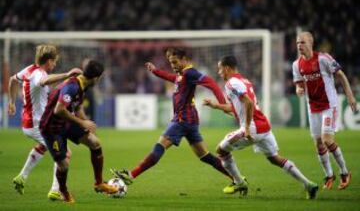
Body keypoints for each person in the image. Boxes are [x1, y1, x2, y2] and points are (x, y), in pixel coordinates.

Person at [111, 48, 234, 187]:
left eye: (175, 62)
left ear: (184, 59)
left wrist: (223, 105)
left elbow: (211, 83)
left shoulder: (190, 72)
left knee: (159, 146)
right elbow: (172, 78)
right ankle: (237, 178)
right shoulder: (182, 74)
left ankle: (131, 175)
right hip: (190, 121)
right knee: (205, 156)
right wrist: (155, 71)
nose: (173, 65)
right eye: (170, 62)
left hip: (182, 120)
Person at [203, 55, 319, 199]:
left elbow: (249, 104)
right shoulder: (244, 81)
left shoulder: (231, 83)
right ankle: (309, 185)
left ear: (227, 68)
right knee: (274, 158)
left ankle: (239, 182)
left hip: (252, 127)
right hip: (263, 126)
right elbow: (237, 107)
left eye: (220, 69)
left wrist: (245, 127)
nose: (219, 73)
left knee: (221, 151)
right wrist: (216, 106)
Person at [8, 44, 82, 200]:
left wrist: (11, 102)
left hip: (29, 122)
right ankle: (55, 190)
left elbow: (12, 80)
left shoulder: (29, 69)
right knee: (65, 153)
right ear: (48, 61)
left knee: (45, 146)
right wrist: (67, 74)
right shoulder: (38, 74)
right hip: (37, 124)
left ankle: (21, 177)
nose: (54, 65)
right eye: (54, 62)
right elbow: (45, 80)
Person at [39, 59, 118, 203]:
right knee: (63, 165)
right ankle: (63, 192)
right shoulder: (72, 86)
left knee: (95, 143)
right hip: (51, 128)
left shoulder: (83, 85)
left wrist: (86, 124)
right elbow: (59, 109)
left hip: (66, 123)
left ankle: (99, 183)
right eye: (100, 78)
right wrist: (82, 122)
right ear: (96, 78)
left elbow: (78, 106)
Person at [292, 32, 356, 190]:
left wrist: (350, 96)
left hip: (329, 105)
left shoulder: (323, 59)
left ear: (311, 43)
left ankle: (344, 172)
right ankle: (329, 175)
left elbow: (340, 75)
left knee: (327, 139)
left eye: (303, 42)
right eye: (298, 43)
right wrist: (299, 89)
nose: (300, 45)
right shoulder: (296, 65)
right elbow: (299, 85)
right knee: (319, 145)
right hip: (312, 108)